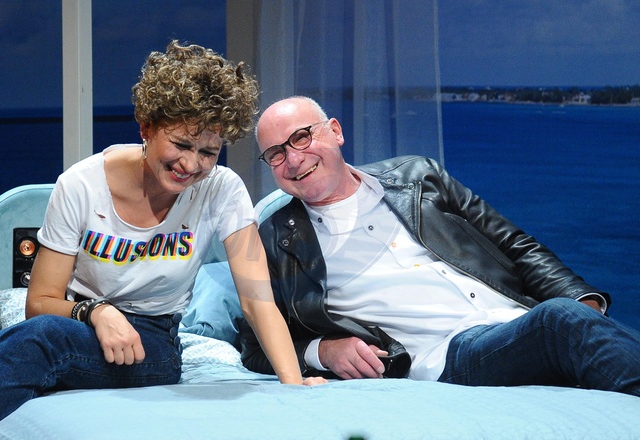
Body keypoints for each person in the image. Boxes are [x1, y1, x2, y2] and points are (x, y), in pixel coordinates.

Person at [0, 44, 324, 440]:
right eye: (181, 145)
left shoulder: (222, 190)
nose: (192, 165)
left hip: (152, 343)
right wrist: (96, 311)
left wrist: (294, 385)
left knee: (40, 339)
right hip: (76, 322)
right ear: (146, 128)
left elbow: (257, 301)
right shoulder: (81, 185)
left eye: (208, 152)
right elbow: (40, 301)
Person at [240, 95, 640, 396]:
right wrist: (323, 350)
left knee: (565, 319)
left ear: (336, 131)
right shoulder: (274, 240)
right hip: (451, 355)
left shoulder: (419, 176)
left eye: (301, 137)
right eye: (276, 154)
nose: (293, 159)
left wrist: (583, 303)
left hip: (520, 322)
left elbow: (514, 244)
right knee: (559, 321)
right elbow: (253, 344)